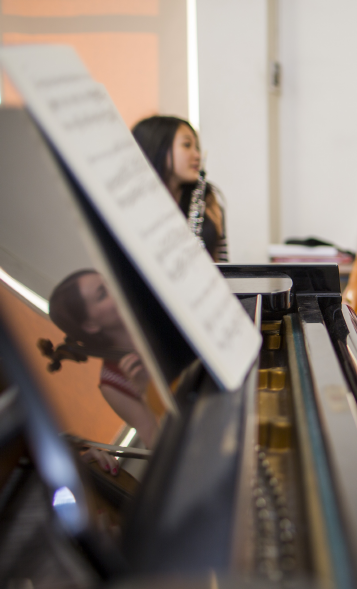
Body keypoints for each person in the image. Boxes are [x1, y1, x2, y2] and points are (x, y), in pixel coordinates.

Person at [49, 270, 158, 474]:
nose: (115, 289)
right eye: (103, 294)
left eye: (109, 283)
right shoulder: (113, 382)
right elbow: (159, 446)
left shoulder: (157, 310)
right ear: (90, 325)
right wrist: (146, 392)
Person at [132, 115, 228, 262]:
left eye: (197, 148)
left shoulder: (207, 199)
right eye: (187, 145)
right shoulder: (133, 205)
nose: (197, 156)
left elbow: (222, 262)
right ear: (157, 147)